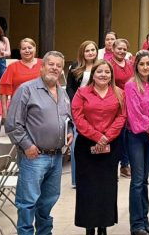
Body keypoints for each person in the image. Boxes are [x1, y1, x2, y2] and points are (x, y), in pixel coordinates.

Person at [5, 51, 72, 235]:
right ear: (42, 67)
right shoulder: (26, 89)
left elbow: (68, 120)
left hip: (56, 157)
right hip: (34, 157)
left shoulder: (63, 93)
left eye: (59, 66)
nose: (55, 68)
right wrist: (27, 145)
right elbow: (12, 124)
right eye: (51, 64)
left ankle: (44, 232)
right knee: (27, 202)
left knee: (48, 200)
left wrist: (70, 132)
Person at [72, 60, 127, 235]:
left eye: (107, 72)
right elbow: (78, 117)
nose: (103, 75)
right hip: (87, 145)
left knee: (106, 187)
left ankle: (103, 226)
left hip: (111, 145)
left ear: (111, 75)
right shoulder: (81, 93)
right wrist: (97, 136)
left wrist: (107, 137)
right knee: (87, 188)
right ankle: (89, 226)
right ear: (92, 75)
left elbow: (122, 116)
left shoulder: (119, 93)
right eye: (99, 72)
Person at [125, 51, 149, 235]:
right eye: (142, 64)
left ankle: (145, 220)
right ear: (136, 66)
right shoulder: (131, 85)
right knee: (137, 180)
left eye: (148, 64)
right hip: (137, 136)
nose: (145, 67)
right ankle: (136, 224)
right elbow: (135, 114)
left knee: (145, 181)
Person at [66, 40, 99, 188]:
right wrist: (76, 104)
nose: (91, 53)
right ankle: (76, 179)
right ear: (82, 53)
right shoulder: (75, 66)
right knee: (76, 144)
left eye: (93, 50)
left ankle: (92, 176)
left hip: (95, 108)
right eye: (87, 50)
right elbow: (70, 88)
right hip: (78, 108)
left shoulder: (100, 66)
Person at [108, 38, 135, 178]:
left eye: (124, 49)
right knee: (118, 134)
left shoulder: (130, 64)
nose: (122, 51)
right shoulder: (108, 64)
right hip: (115, 103)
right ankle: (114, 164)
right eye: (119, 48)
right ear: (113, 49)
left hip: (130, 102)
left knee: (128, 135)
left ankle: (125, 165)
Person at [0, 38, 43, 115]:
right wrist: (4, 114)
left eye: (30, 48)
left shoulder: (43, 64)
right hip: (18, 110)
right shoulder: (12, 67)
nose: (27, 51)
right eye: (23, 48)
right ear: (20, 51)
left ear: (35, 49)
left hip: (41, 109)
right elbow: (4, 92)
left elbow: (54, 87)